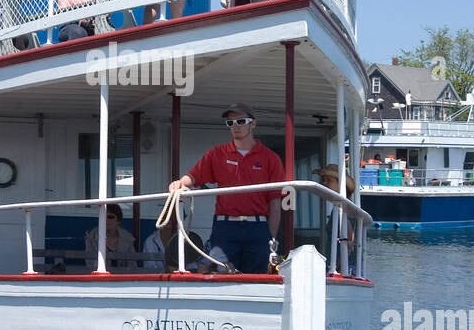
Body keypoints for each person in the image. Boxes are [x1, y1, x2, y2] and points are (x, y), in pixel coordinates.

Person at [168, 103, 286, 273]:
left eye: (240, 121)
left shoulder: (271, 159)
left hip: (258, 229)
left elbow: (275, 202)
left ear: (253, 124)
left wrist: (272, 238)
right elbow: (193, 177)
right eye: (230, 123)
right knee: (212, 271)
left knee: (257, 278)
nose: (235, 126)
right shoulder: (217, 154)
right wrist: (180, 183)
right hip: (225, 228)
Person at [314, 164, 356, 267]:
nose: (324, 183)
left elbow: (350, 240)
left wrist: (338, 266)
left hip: (341, 267)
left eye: (329, 180)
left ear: (341, 184)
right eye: (323, 180)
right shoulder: (340, 207)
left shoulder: (343, 208)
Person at [84, 203, 139, 270]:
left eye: (110, 217)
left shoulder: (127, 238)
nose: (106, 220)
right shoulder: (92, 237)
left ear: (118, 220)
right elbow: (90, 264)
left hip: (123, 278)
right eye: (103, 216)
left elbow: (132, 265)